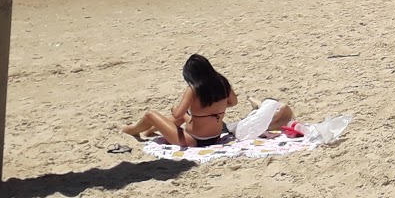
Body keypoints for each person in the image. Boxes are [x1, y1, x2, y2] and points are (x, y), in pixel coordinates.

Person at [123, 54, 293, 148]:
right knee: (182, 117)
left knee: (151, 114)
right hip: (215, 136)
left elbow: (177, 113)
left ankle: (132, 130)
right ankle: (149, 131)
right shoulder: (222, 82)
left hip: (193, 140)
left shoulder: (194, 89)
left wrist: (182, 104)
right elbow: (233, 103)